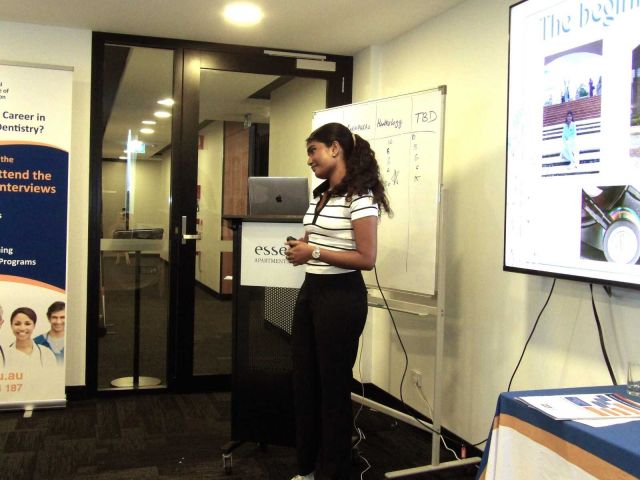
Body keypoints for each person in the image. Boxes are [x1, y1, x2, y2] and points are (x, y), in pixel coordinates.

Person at [285, 122, 391, 480]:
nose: (309, 159)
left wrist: (313, 251)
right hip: (311, 292)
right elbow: (318, 241)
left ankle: (334, 471)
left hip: (341, 298)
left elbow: (366, 258)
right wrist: (302, 248)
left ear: (335, 148)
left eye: (313, 150)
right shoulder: (321, 194)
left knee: (332, 389)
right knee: (305, 383)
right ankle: (308, 468)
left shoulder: (361, 197)